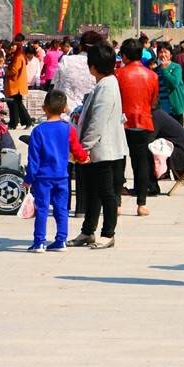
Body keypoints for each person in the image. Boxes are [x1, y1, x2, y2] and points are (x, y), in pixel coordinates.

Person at [68, 42, 127, 250]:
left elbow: (97, 122)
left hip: (104, 150)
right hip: (97, 149)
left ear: (93, 66)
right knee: (92, 192)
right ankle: (87, 231)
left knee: (106, 193)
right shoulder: (105, 84)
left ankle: (107, 233)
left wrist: (82, 147)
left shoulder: (107, 86)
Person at [23, 90, 89, 252]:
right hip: (62, 176)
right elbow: (76, 149)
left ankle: (39, 241)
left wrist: (29, 178)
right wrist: (84, 158)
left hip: (43, 177)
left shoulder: (38, 131)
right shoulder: (68, 129)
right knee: (61, 209)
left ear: (44, 108)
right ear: (65, 108)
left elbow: (34, 159)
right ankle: (61, 240)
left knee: (42, 209)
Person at [117, 38, 159, 216]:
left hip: (121, 123)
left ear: (124, 56)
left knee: (118, 162)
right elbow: (153, 101)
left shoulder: (118, 74)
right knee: (141, 164)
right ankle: (141, 203)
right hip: (143, 122)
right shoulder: (152, 75)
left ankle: (117, 203)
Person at [4, 35, 33, 130]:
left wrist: (5, 71)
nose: (12, 47)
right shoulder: (18, 55)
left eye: (14, 45)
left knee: (15, 105)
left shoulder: (18, 56)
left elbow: (14, 70)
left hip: (16, 84)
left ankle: (17, 123)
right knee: (17, 105)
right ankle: (21, 122)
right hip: (16, 84)